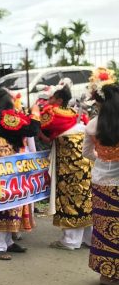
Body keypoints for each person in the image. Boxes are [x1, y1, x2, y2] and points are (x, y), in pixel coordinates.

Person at [0, 89, 41, 260]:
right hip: (1, 172)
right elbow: (32, 129)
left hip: (7, 171)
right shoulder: (6, 119)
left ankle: (7, 242)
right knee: (1, 207)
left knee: (10, 205)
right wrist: (35, 113)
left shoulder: (0, 120)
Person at [40, 83, 93, 250]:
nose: (48, 101)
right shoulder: (76, 114)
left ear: (59, 99)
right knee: (85, 198)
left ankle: (70, 241)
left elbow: (42, 128)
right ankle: (89, 239)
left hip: (69, 166)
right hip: (85, 164)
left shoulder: (52, 113)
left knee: (70, 197)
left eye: (52, 98)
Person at [83, 68, 119, 285]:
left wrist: (102, 157)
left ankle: (106, 274)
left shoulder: (92, 125)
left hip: (99, 184)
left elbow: (86, 153)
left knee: (104, 229)